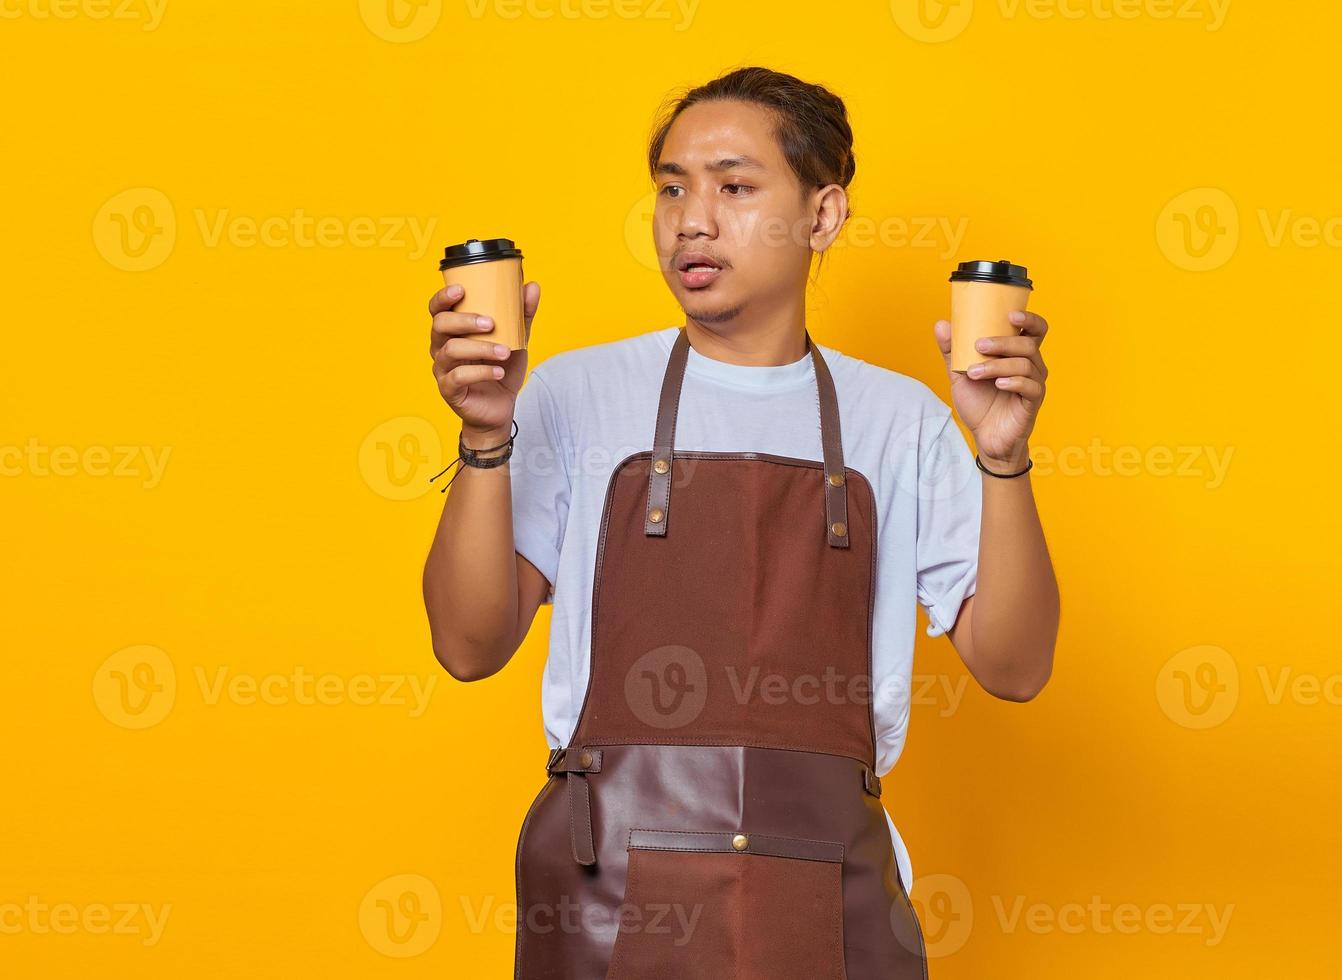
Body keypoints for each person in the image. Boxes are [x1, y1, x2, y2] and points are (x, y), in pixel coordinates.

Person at [421, 65, 1059, 979]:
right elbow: (468, 643)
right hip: (607, 893)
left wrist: (1001, 456)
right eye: (673, 187)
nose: (692, 218)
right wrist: (486, 436)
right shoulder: (572, 393)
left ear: (823, 215)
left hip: (826, 887)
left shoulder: (902, 418)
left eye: (734, 185)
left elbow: (1017, 665)